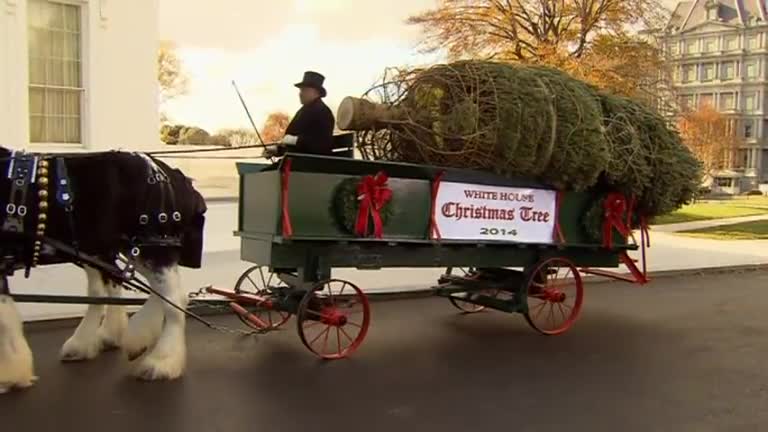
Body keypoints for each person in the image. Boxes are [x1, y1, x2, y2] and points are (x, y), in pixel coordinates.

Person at [264, 71, 335, 158]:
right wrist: (276, 150)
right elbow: (292, 142)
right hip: (297, 162)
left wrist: (295, 140)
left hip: (309, 164)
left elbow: (320, 144)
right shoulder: (304, 110)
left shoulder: (323, 113)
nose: (300, 94)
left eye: (304, 90)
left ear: (315, 92)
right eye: (301, 90)